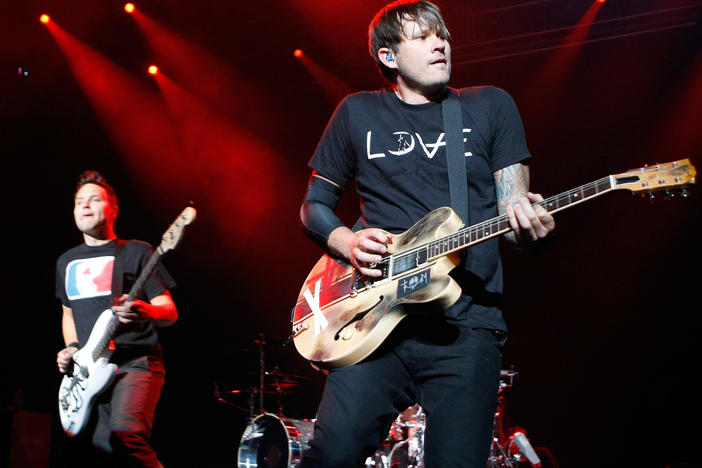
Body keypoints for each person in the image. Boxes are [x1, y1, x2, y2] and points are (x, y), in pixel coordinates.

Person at [298, 1, 555, 467]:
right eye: (422, 37)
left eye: (443, 35)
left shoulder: (490, 105)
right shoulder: (356, 113)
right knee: (331, 455)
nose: (440, 43)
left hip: (466, 323)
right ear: (388, 56)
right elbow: (313, 208)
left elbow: (514, 214)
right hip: (375, 320)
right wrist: (348, 242)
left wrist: (530, 228)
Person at [55, 170, 177, 467]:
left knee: (127, 432)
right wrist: (71, 346)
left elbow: (169, 312)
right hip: (90, 369)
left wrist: (144, 310)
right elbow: (67, 313)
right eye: (79, 201)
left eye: (94, 199)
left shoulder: (136, 251)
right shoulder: (66, 261)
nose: (84, 206)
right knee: (103, 448)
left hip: (136, 361)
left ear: (113, 209)